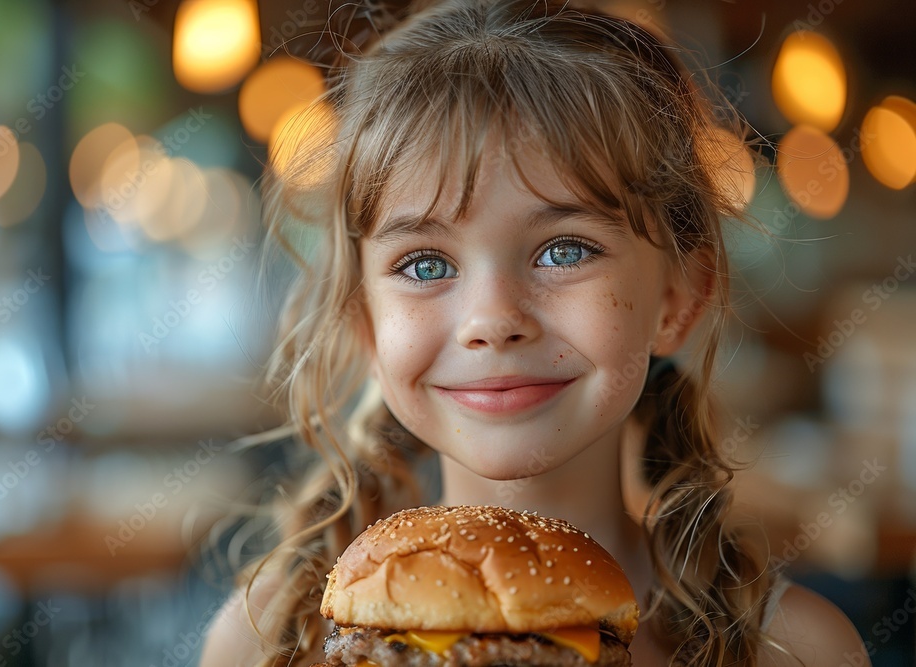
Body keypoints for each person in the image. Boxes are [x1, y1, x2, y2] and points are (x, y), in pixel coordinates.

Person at [201, 1, 870, 665]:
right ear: (365, 320)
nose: (493, 319)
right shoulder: (268, 640)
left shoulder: (798, 649)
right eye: (425, 263)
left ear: (676, 298)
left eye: (564, 251)